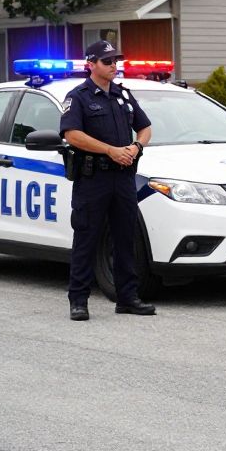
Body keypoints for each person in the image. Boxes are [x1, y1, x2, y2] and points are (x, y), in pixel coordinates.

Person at [60, 40, 155, 321]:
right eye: (107, 61)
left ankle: (127, 297)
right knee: (87, 237)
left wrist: (136, 147)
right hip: (94, 178)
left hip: (123, 178)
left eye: (116, 60)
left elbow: (145, 127)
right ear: (91, 64)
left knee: (125, 238)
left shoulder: (122, 95)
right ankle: (78, 300)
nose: (114, 65)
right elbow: (71, 134)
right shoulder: (78, 97)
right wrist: (110, 150)